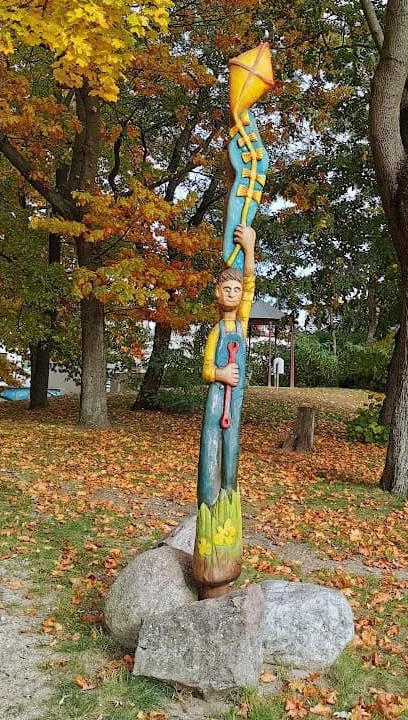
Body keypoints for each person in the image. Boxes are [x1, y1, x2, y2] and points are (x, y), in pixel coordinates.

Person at [193, 224, 255, 596]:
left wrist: (249, 248)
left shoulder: (242, 325)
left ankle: (227, 500)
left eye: (235, 290)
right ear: (217, 294)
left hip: (236, 403)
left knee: (231, 454)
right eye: (227, 289)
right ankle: (210, 504)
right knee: (210, 452)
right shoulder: (217, 331)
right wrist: (220, 372)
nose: (233, 294)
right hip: (218, 400)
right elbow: (204, 369)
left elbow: (249, 285)